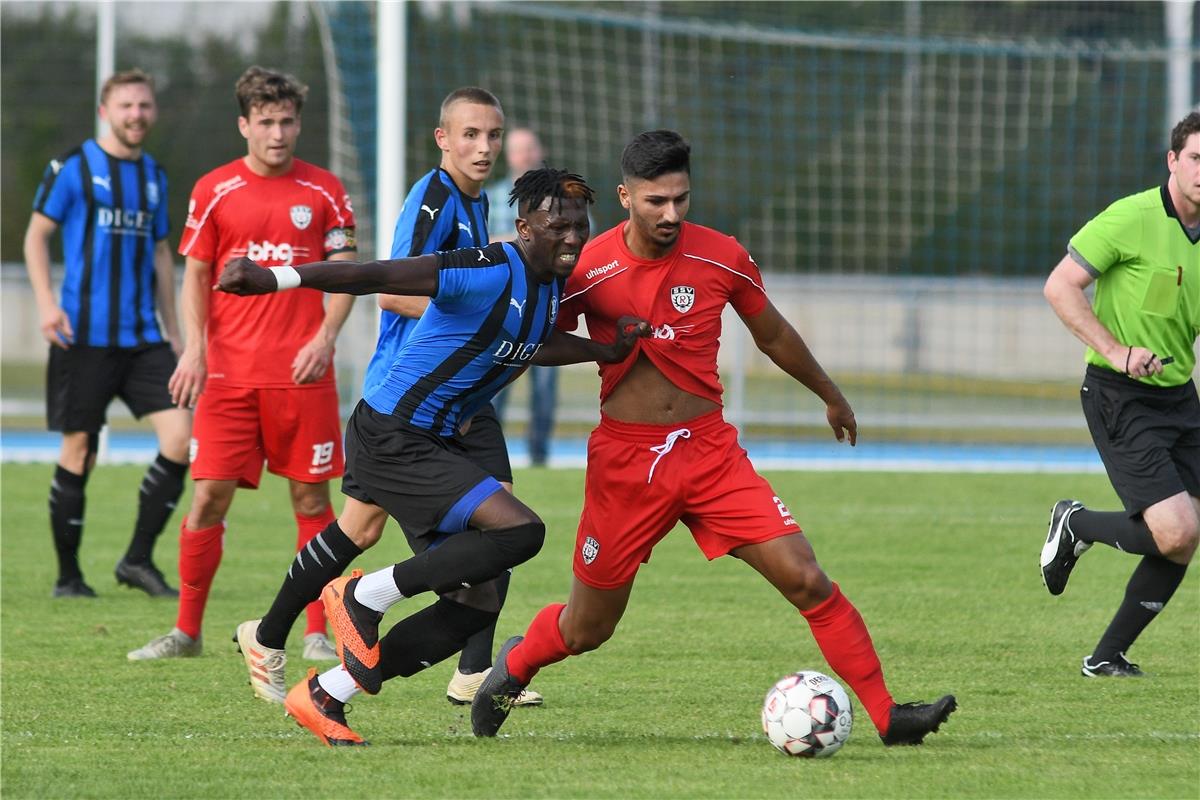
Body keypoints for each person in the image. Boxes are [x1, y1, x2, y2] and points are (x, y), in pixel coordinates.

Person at [471, 130, 958, 747]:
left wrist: (831, 394)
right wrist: (600, 349)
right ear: (625, 197)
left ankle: (889, 717)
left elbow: (773, 333)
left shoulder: (721, 255)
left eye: (681, 199)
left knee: (806, 576)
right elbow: (533, 339)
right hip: (626, 463)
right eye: (656, 202)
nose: (671, 213)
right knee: (588, 628)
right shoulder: (587, 267)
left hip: (709, 454)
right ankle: (513, 666)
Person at [218, 167, 649, 746]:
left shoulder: (549, 285)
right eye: (557, 225)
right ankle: (360, 596)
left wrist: (605, 349)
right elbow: (374, 275)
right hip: (394, 434)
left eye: (579, 225)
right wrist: (275, 278)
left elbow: (534, 340)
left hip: (432, 442)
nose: (572, 236)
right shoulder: (487, 266)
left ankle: (325, 696)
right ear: (523, 227)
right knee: (521, 532)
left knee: (477, 600)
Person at [233, 87, 540, 708]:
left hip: (453, 396)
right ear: (443, 139)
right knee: (479, 528)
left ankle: (268, 636)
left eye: (492, 136)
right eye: (470, 135)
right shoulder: (433, 198)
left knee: (369, 529)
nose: (483, 147)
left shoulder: (477, 205)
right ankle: (282, 636)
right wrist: (484, 323)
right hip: (412, 399)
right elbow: (393, 287)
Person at [127, 66, 357, 661]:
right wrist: (197, 350)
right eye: (265, 123)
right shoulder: (214, 189)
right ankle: (186, 633)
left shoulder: (326, 190)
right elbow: (195, 275)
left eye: (286, 122)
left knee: (311, 503)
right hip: (230, 377)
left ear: (298, 123)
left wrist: (325, 337)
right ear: (244, 125)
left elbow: (346, 276)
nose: (277, 134)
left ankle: (315, 634)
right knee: (207, 498)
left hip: (302, 375)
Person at [1039, 111, 1199, 678]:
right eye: (1197, 158)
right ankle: (1076, 523)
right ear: (1173, 161)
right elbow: (1060, 286)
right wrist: (1117, 351)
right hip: (1118, 392)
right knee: (1177, 529)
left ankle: (1107, 656)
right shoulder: (1130, 217)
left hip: (1179, 397)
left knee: (1184, 538)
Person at [24, 68, 190, 599]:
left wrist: (176, 333)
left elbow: (163, 255)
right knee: (80, 451)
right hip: (83, 337)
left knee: (181, 440)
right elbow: (35, 237)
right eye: (126, 106)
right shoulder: (72, 167)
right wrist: (47, 305)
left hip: (143, 339)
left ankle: (137, 560)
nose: (136, 115)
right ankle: (68, 578)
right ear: (105, 111)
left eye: (144, 106)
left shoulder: (154, 176)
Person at [487, 128, 558, 466]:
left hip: (548, 307)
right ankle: (489, 453)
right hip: (503, 310)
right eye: (517, 150)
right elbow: (480, 245)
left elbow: (581, 239)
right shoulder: (492, 196)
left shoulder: (565, 197)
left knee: (544, 389)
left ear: (540, 150)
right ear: (509, 155)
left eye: (530, 148)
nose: (524, 156)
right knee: (494, 385)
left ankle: (539, 456)